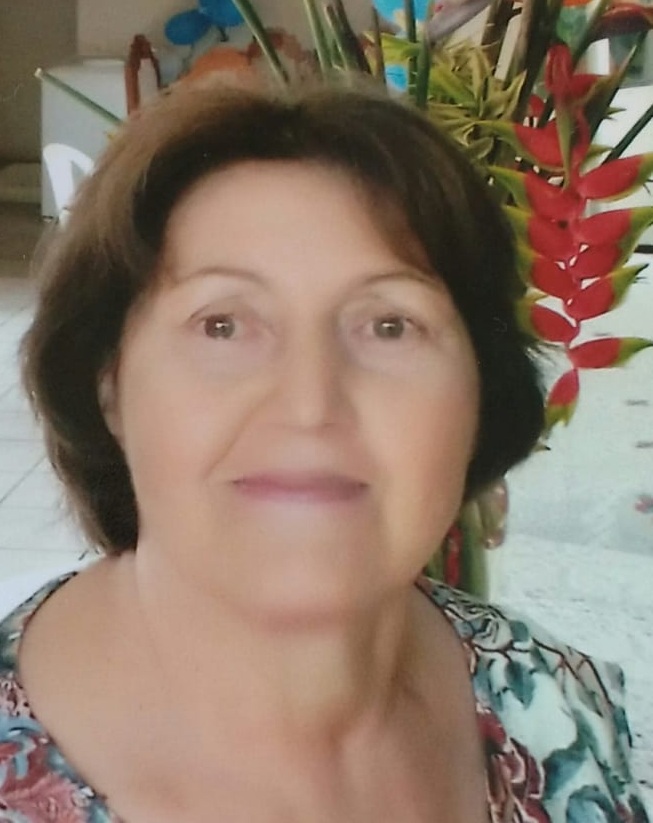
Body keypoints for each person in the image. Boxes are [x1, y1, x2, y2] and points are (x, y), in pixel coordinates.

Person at [0, 78, 646, 822]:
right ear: (109, 385)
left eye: (389, 325)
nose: (310, 404)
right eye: (222, 325)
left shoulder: (559, 708)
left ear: (481, 388)